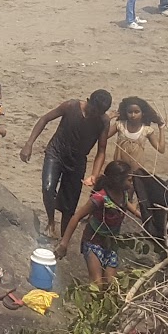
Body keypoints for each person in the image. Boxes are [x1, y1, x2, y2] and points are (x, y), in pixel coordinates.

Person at [21, 89, 114, 238]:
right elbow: (45, 119)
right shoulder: (71, 106)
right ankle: (51, 222)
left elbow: (101, 150)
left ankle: (64, 238)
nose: (95, 114)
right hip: (56, 152)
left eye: (100, 112)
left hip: (77, 161)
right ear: (88, 100)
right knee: (48, 187)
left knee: (69, 206)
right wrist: (29, 143)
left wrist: (94, 175)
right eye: (94, 110)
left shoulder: (103, 121)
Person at [57, 161, 138, 287]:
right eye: (129, 180)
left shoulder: (124, 195)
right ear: (118, 180)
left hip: (111, 244)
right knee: (97, 284)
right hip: (93, 242)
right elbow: (77, 217)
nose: (132, 183)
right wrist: (64, 244)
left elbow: (136, 212)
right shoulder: (100, 198)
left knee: (111, 284)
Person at [108, 97, 168, 242]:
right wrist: (108, 119)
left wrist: (161, 129)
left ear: (143, 113)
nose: (133, 115)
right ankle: (113, 227)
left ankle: (118, 230)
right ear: (125, 112)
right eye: (130, 112)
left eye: (136, 112)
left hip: (134, 174)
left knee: (126, 200)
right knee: (114, 198)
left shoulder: (147, 130)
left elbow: (161, 149)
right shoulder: (120, 125)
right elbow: (102, 136)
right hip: (118, 171)